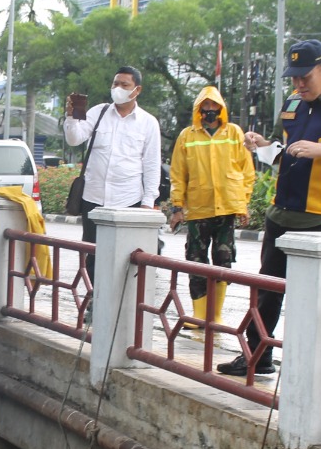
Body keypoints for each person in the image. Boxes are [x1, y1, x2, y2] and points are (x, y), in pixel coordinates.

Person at [218, 40, 321, 376]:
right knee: (268, 290)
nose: (300, 84)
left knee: (314, 300)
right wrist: (261, 145)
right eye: (295, 78)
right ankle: (257, 354)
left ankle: (310, 367)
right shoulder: (291, 104)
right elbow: (282, 149)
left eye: (306, 77)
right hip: (281, 212)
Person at [64, 66, 162, 285]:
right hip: (94, 198)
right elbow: (74, 139)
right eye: (115, 84)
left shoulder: (148, 123)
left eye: (124, 85)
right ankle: (95, 300)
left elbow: (152, 165)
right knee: (93, 253)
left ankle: (121, 303)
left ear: (137, 90)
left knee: (127, 257)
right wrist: (71, 117)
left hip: (128, 201)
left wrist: (148, 202)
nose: (117, 88)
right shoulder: (98, 112)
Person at [168, 86, 255, 330]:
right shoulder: (187, 136)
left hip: (226, 208)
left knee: (223, 260)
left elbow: (246, 171)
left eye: (213, 108)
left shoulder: (234, 133)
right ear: (198, 110)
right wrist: (177, 207)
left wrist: (243, 203)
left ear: (221, 109)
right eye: (204, 108)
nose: (209, 112)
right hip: (198, 209)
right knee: (196, 259)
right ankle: (198, 314)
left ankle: (215, 315)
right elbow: (178, 174)